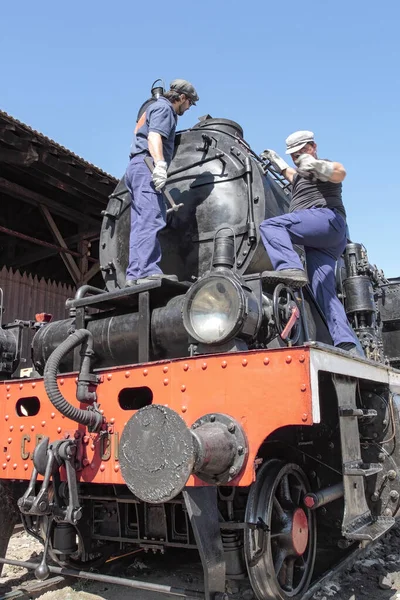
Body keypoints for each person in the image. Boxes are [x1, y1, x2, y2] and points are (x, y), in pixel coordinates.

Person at [260, 130, 359, 354]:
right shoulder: (301, 176)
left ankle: (289, 267)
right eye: (293, 155)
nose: (297, 157)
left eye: (300, 152)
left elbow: (339, 172)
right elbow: (292, 175)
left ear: (312, 147)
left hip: (326, 220)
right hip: (321, 242)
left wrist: (317, 166)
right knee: (322, 288)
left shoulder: (321, 166)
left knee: (271, 226)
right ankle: (345, 341)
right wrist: (278, 162)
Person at [125, 79, 199, 286]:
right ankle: (147, 271)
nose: (189, 107)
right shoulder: (165, 109)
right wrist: (159, 165)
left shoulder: (152, 107)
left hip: (136, 167)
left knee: (140, 223)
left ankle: (135, 274)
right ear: (182, 98)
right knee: (152, 218)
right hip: (147, 165)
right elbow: (155, 136)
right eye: (190, 103)